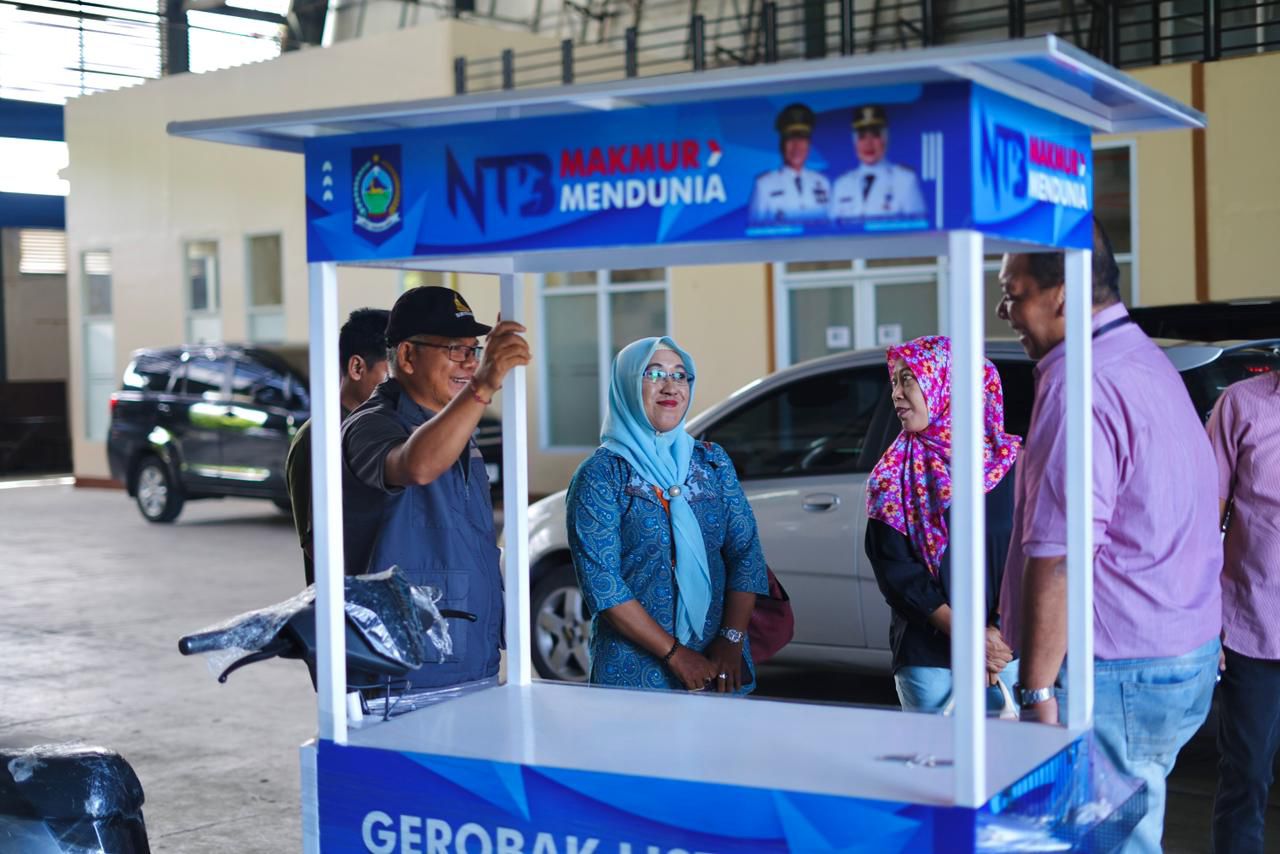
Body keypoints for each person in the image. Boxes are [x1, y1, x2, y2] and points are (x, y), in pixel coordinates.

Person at [997, 220, 1222, 854]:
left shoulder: (1083, 378)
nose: (1002, 309)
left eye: (1012, 291)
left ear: (1061, 294)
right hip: (1180, 650)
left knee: (1102, 843)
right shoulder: (1143, 358)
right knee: (1130, 827)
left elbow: (1061, 554)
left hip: (1116, 668)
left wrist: (1037, 690)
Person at [341, 286, 530, 691]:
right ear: (407, 356)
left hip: (470, 657)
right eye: (453, 349)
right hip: (403, 675)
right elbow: (417, 465)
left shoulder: (457, 425)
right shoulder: (370, 425)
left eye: (473, 350)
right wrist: (483, 384)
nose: (468, 362)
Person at [564, 337, 769, 693]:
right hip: (634, 671)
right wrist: (675, 654)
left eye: (681, 375)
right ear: (627, 385)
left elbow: (746, 553)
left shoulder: (711, 461)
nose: (670, 385)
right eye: (653, 374)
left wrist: (731, 640)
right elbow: (604, 584)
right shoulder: (602, 474)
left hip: (720, 663)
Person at [864, 335, 1021, 713]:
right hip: (929, 658)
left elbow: (1031, 552)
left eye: (908, 379)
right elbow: (897, 572)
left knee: (1013, 765)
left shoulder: (1012, 464)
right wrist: (968, 637)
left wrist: (996, 634)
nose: (896, 394)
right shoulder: (892, 475)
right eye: (896, 380)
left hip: (1006, 652)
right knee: (935, 768)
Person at [1206, 370, 1280, 854]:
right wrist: (1205, 618)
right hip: (1254, 624)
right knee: (1247, 774)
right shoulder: (1242, 403)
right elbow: (1204, 517)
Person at [285, 307, 390, 587]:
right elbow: (318, 545)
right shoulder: (319, 437)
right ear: (357, 367)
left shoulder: (391, 428)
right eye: (391, 375)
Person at [828, 105, 926, 221]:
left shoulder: (905, 180)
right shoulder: (841, 185)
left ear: (885, 139)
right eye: (862, 137)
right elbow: (831, 231)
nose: (868, 144)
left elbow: (918, 228)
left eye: (875, 135)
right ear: (855, 142)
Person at [748, 103, 831, 224]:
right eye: (791, 139)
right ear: (782, 144)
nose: (796, 146)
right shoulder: (764, 185)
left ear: (809, 145)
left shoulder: (823, 183)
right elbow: (754, 230)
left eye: (802, 139)